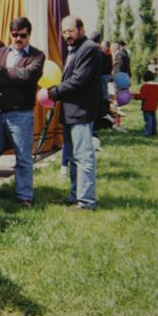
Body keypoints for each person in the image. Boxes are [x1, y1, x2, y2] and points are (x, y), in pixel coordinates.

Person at [0, 17, 45, 208]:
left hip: (21, 115)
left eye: (22, 35)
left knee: (23, 158)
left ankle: (24, 197)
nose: (18, 39)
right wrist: (15, 75)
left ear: (29, 34)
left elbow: (28, 76)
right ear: (10, 34)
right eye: (14, 35)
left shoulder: (37, 56)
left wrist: (3, 73)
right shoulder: (0, 53)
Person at [46, 16, 102, 210]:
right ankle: (75, 196)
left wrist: (53, 92)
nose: (66, 35)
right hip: (71, 112)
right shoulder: (75, 49)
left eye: (70, 30)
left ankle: (86, 202)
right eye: (63, 32)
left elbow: (79, 80)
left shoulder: (89, 49)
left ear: (81, 29)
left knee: (83, 157)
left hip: (81, 111)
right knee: (72, 157)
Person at [133, 70, 158, 136]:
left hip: (146, 106)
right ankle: (154, 131)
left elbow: (142, 96)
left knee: (148, 120)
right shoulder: (157, 86)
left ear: (144, 78)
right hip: (154, 106)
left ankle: (147, 132)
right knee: (154, 119)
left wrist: (134, 96)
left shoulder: (145, 87)